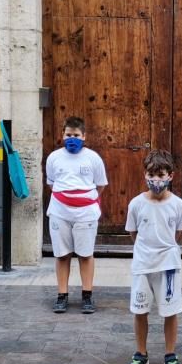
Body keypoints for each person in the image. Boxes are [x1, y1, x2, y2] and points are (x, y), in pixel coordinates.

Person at [123, 150, 182, 364]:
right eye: (152, 174)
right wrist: (146, 250)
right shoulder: (136, 203)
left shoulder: (178, 204)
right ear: (145, 175)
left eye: (161, 175)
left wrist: (165, 248)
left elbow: (179, 232)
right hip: (143, 264)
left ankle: (170, 355)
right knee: (140, 310)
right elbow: (133, 232)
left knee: (170, 311)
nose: (156, 180)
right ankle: (140, 353)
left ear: (171, 176)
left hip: (168, 265)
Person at [45, 116, 108, 313]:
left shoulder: (93, 158)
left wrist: (86, 201)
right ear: (62, 135)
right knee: (62, 255)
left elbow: (101, 185)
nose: (72, 138)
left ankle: (87, 295)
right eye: (68, 135)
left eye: (76, 135)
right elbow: (51, 183)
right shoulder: (54, 158)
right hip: (59, 211)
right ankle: (62, 295)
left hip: (86, 213)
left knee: (85, 254)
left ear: (84, 136)